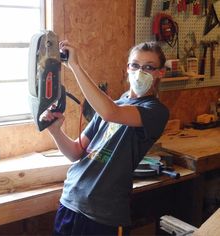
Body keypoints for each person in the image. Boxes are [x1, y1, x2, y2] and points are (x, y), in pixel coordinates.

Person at [42, 41, 169, 236]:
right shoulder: (113, 105)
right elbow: (76, 152)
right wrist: (55, 130)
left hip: (103, 215)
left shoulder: (155, 112)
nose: (139, 72)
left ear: (161, 73)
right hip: (71, 201)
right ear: (127, 68)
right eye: (134, 65)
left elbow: (111, 113)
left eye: (149, 67)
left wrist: (75, 66)